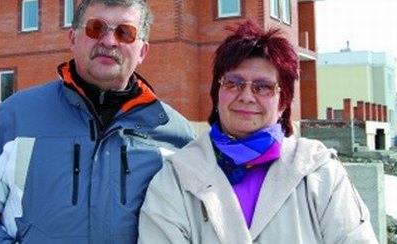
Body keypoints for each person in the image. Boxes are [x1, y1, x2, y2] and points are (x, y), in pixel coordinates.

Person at [0, 0, 195, 244]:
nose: (109, 41)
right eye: (96, 28)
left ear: (142, 51)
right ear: (73, 39)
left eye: (125, 32)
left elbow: (195, 225)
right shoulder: (17, 116)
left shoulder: (175, 134)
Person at [138, 20, 378, 243]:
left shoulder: (319, 172)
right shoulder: (177, 176)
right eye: (233, 83)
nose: (246, 97)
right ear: (217, 93)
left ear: (283, 101)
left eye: (263, 87)